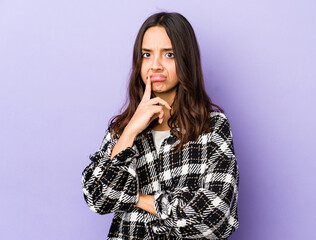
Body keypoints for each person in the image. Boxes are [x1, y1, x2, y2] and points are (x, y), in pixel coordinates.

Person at [81, 12, 239, 240]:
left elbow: (215, 217)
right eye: (147, 54)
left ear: (186, 60)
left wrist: (135, 198)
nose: (155, 65)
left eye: (169, 54)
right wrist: (131, 130)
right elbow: (98, 198)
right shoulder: (121, 130)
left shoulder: (211, 127)